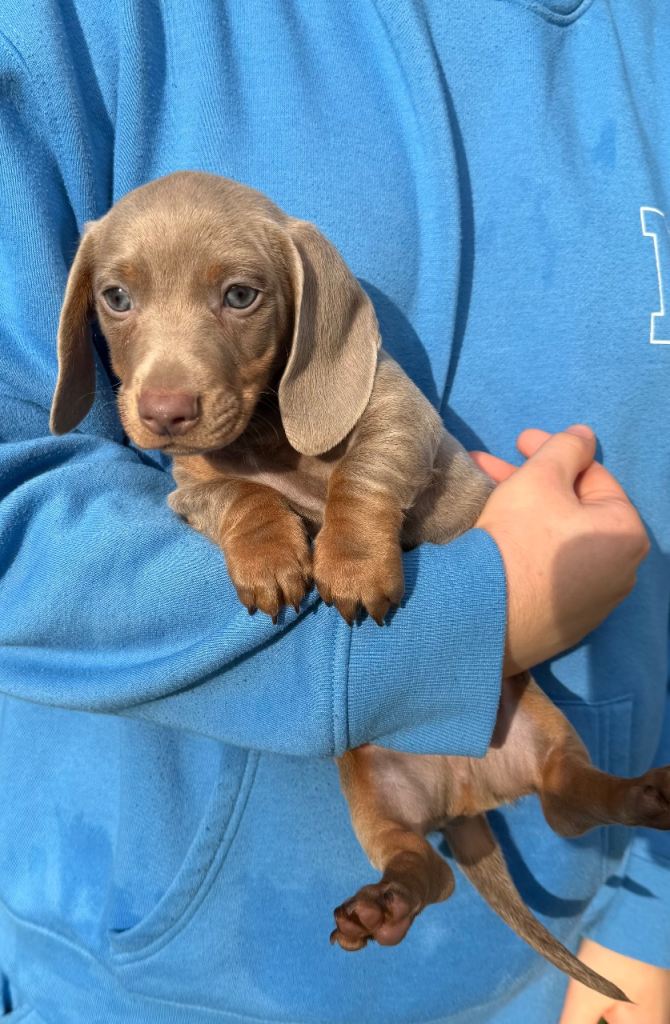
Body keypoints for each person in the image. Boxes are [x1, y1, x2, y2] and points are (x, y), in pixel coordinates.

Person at [0, 1, 667, 1021]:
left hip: (582, 964)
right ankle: (411, 869)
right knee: (397, 831)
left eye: (235, 297)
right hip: (164, 979)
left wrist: (654, 916)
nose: (167, 385)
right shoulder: (75, 30)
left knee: (547, 775)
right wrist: (468, 616)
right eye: (120, 305)